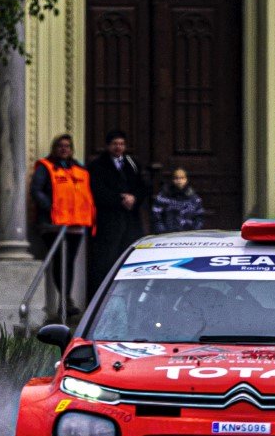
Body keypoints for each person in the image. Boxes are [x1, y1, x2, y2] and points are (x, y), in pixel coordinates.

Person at [29, 134, 94, 317]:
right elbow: (36, 190)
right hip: (52, 225)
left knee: (69, 262)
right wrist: (50, 207)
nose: (64, 149)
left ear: (72, 149)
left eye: (67, 146)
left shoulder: (79, 168)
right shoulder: (46, 167)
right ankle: (65, 299)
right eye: (60, 146)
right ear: (54, 148)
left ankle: (66, 299)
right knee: (60, 261)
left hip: (75, 224)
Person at [86, 129, 152, 296]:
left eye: (121, 144)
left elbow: (143, 186)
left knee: (129, 258)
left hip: (130, 220)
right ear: (108, 146)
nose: (118, 147)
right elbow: (97, 191)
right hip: (108, 221)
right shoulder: (96, 165)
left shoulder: (132, 163)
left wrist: (134, 198)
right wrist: (119, 199)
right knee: (106, 261)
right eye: (115, 144)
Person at [151, 167, 206, 234]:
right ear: (172, 180)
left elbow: (199, 216)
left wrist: (195, 230)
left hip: (189, 234)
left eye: (182, 178)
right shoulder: (164, 196)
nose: (179, 181)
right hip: (167, 234)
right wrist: (162, 231)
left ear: (186, 180)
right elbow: (156, 215)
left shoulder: (193, 197)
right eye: (176, 178)